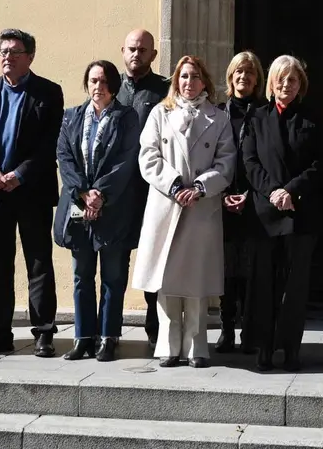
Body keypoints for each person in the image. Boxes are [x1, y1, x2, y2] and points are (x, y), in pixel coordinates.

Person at [0, 28, 65, 357]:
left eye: (14, 52)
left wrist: (20, 174)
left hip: (31, 191)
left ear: (30, 57)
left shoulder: (49, 92)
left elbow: (50, 142)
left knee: (38, 264)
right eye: (3, 51)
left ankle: (44, 332)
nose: (7, 56)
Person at [131, 55, 236, 368]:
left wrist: (202, 187)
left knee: (196, 281)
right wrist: (175, 185)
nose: (188, 82)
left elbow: (226, 162)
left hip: (201, 209)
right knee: (167, 280)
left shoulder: (218, 118)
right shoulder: (160, 113)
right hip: (167, 205)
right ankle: (168, 345)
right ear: (176, 81)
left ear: (204, 81)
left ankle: (196, 346)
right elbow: (148, 156)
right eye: (183, 77)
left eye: (194, 76)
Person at [242, 54, 323, 371]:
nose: (286, 85)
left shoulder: (312, 118)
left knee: (295, 285)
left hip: (300, 213)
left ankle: (290, 348)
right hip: (265, 213)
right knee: (264, 282)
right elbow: (250, 163)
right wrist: (273, 192)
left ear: (300, 84)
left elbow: (320, 163)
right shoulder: (257, 117)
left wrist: (291, 190)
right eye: (280, 79)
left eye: (292, 79)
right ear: (271, 83)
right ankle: (264, 347)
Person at [54, 60, 141, 362]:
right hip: (79, 209)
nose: (98, 87)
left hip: (113, 208)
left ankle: (108, 337)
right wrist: (81, 192)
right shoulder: (72, 117)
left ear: (114, 85)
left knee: (113, 277)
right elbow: (64, 156)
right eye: (92, 80)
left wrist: (100, 194)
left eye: (104, 81)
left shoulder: (127, 117)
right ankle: (83, 338)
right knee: (82, 276)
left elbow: (126, 160)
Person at [115, 28, 171, 349]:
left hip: (153, 191)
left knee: (152, 260)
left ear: (153, 54)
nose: (136, 54)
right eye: (132, 48)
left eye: (143, 50)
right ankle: (110, 325)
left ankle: (154, 325)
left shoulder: (165, 90)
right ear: (123, 50)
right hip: (118, 194)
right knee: (115, 263)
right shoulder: (109, 87)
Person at [215, 51, 267, 354]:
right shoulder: (218, 113)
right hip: (221, 201)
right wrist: (222, 195)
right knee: (225, 272)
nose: (243, 78)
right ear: (230, 77)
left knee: (250, 271)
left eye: (249, 73)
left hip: (254, 201)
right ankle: (226, 329)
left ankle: (250, 330)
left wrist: (250, 194)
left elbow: (268, 159)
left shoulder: (265, 112)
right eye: (238, 72)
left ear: (257, 79)